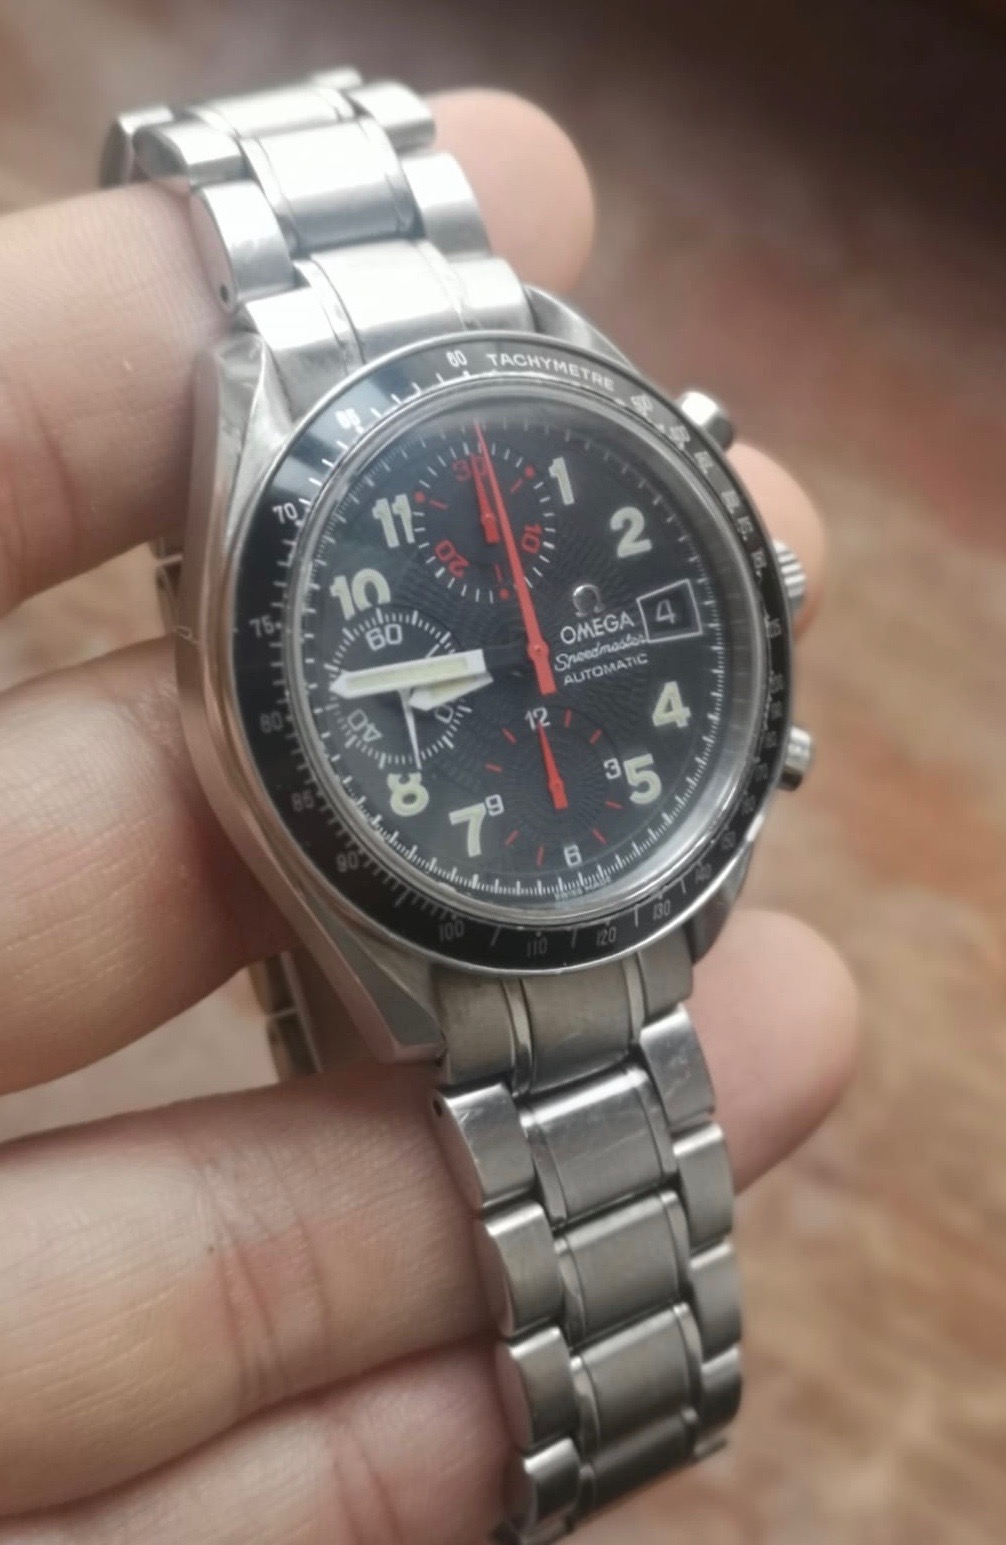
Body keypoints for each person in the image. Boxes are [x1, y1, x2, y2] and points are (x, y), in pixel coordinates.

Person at [0, 91, 857, 1542]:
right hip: (474, 871)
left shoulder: (584, 437)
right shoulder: (307, 543)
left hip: (611, 849)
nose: (531, 658)